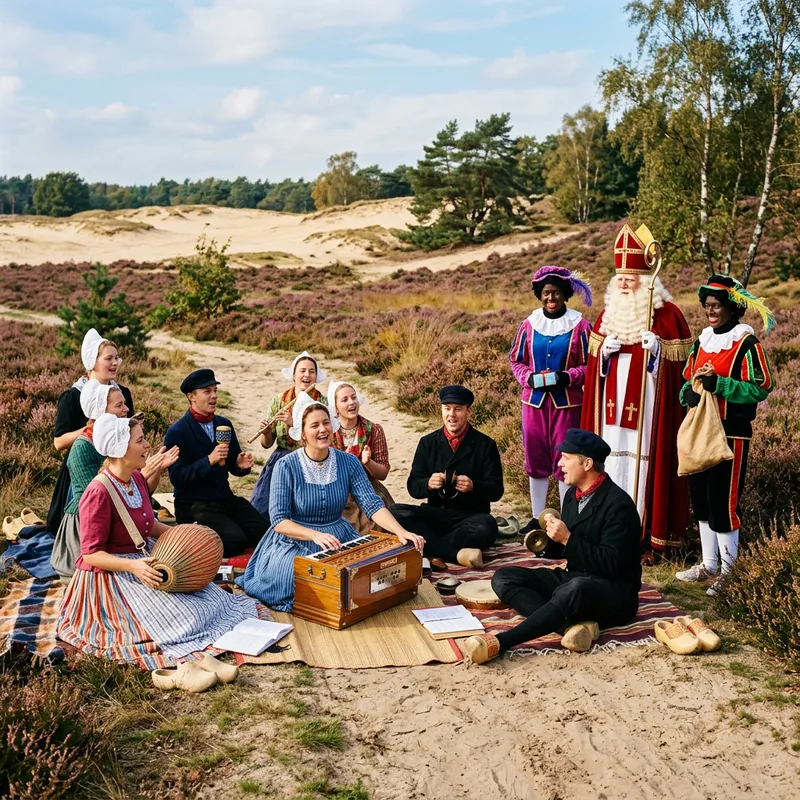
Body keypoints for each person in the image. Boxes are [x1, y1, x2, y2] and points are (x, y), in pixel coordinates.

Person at [57, 413, 261, 670]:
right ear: (121, 448)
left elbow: (147, 525)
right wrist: (135, 567)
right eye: (140, 441)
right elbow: (90, 554)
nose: (147, 447)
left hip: (145, 560)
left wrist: (184, 534)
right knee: (187, 617)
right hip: (113, 575)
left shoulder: (136, 479)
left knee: (213, 600)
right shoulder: (98, 492)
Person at [462, 430, 641, 664]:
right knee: (504, 577)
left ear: (587, 463)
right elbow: (566, 550)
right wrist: (545, 543)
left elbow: (611, 565)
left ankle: (503, 641)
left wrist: (568, 539)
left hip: (614, 593)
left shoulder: (619, 506)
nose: (559, 463)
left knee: (574, 588)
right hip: (576, 580)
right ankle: (570, 629)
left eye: (566, 458)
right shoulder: (572, 495)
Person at [237, 393, 423, 611]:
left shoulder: (349, 462)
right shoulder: (286, 466)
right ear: (302, 434)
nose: (323, 429)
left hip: (338, 537)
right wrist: (315, 535)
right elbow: (279, 520)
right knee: (292, 579)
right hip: (293, 539)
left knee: (364, 576)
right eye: (314, 425)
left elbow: (372, 504)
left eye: (326, 423)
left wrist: (400, 532)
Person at [580, 223, 692, 558]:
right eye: (621, 277)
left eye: (632, 277)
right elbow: (592, 376)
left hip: (648, 416)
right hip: (610, 418)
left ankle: (644, 537)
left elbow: (680, 373)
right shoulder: (606, 316)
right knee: (610, 465)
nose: (625, 283)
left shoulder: (668, 316)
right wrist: (603, 355)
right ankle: (607, 534)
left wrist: (658, 351)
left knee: (645, 468)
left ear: (648, 281)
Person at [675, 276, 775, 596]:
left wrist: (720, 385)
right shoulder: (701, 342)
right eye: (707, 306)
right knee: (702, 502)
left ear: (732, 307)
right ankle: (709, 564)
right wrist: (688, 395)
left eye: (716, 305)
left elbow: (760, 387)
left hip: (731, 434)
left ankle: (731, 572)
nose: (710, 310)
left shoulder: (747, 344)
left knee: (723, 503)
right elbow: (687, 382)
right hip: (699, 431)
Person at [51, 379, 179, 582]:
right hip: (91, 529)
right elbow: (100, 502)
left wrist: (154, 471)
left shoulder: (131, 470)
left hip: (126, 529)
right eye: (119, 405)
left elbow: (140, 505)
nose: (126, 409)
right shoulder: (87, 459)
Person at [509, 265, 593, 528]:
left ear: (565, 294)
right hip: (533, 404)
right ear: (539, 294)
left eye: (556, 293)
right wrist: (527, 378)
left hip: (567, 404)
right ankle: (536, 517)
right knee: (535, 458)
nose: (551, 298)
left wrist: (568, 376)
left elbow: (590, 364)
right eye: (546, 293)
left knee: (566, 459)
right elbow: (516, 360)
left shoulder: (580, 326)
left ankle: (567, 517)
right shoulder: (528, 325)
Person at [390, 385, 503, 570]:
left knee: (487, 526)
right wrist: (428, 483)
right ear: (441, 409)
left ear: (469, 411)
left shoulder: (486, 445)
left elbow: (496, 490)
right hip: (436, 514)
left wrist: (474, 486)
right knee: (394, 512)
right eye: (447, 408)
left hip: (470, 517)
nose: (452, 414)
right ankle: (454, 554)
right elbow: (413, 486)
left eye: (458, 409)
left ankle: (431, 549)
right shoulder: (427, 443)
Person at [164, 369, 267, 557]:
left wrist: (240, 465)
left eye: (215, 391)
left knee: (265, 533)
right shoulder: (177, 432)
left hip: (224, 499)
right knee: (235, 542)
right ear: (191, 396)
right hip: (194, 505)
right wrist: (209, 460)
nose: (214, 396)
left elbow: (233, 464)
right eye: (207, 391)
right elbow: (178, 478)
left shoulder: (223, 423)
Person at [46, 328, 135, 534]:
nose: (115, 363)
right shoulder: (72, 396)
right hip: (82, 468)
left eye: (117, 358)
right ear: (92, 362)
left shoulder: (124, 394)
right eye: (108, 358)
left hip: (118, 465)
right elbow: (59, 442)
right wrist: (91, 429)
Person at [250, 351, 327, 521]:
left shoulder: (322, 402)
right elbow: (266, 444)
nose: (307, 375)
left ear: (316, 376)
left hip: (311, 460)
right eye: (302, 371)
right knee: (263, 508)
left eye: (311, 371)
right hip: (282, 457)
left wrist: (294, 424)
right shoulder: (279, 401)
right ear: (294, 375)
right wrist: (266, 433)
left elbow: (323, 438)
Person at [328, 380, 395, 536]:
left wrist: (368, 463)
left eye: (354, 397)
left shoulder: (374, 430)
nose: (351, 403)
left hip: (369, 490)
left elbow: (383, 473)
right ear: (336, 407)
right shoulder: (328, 433)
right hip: (339, 493)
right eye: (345, 400)